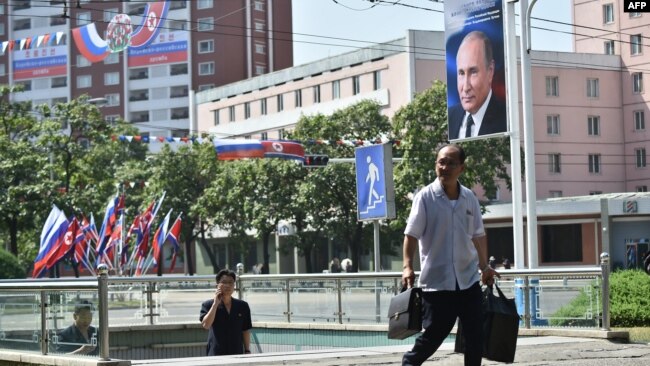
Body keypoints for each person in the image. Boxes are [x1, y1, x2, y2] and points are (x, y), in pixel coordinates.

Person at [401, 144, 499, 366]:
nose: (444, 167)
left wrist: (485, 267)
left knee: (475, 337)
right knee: (434, 336)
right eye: (440, 162)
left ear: (461, 168)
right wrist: (407, 266)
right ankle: (409, 363)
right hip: (438, 283)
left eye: (450, 163)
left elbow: (478, 236)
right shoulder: (425, 197)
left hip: (468, 281)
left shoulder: (469, 198)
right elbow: (411, 235)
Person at [448, 31, 507, 140]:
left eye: (473, 72)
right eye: (461, 73)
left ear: (490, 71)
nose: (465, 87)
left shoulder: (505, 119)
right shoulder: (450, 116)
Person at [200, 269, 252, 356]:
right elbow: (206, 325)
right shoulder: (208, 305)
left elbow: (245, 330)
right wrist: (215, 304)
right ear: (217, 285)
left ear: (234, 286)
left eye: (231, 282)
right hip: (216, 353)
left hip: (237, 353)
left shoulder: (243, 306)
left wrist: (247, 350)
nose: (227, 285)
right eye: (224, 282)